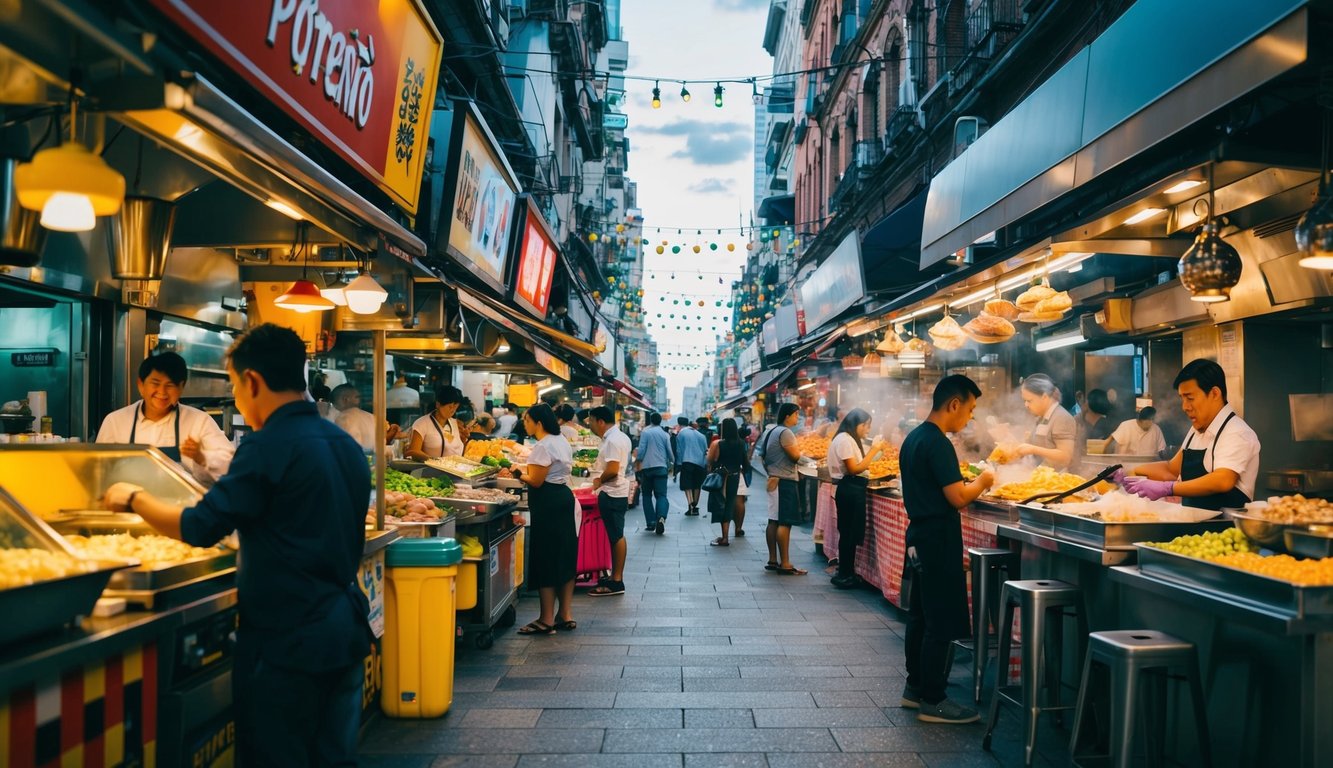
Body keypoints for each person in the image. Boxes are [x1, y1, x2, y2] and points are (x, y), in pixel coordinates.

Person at [101, 324, 371, 765]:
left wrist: (133, 497)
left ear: (252, 381)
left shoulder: (268, 446)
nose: (238, 397)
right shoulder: (343, 444)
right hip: (345, 631)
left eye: (234, 386)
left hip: (287, 643)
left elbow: (201, 527)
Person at [899, 374, 995, 724]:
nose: (969, 417)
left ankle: (915, 688)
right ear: (954, 404)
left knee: (921, 615)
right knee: (941, 619)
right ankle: (934, 700)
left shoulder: (914, 438)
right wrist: (983, 481)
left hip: (918, 537)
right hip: (937, 538)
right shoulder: (938, 443)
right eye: (969, 409)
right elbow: (957, 498)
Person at [1121, 359, 1261, 510]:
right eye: (1182, 399)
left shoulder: (1237, 432)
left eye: (1190, 398)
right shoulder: (1197, 430)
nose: (1185, 407)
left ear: (1214, 393)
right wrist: (1128, 471)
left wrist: (1168, 488)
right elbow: (1171, 470)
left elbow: (1222, 480)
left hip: (1224, 530)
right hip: (1193, 529)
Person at [96, 352, 234, 488]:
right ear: (141, 385)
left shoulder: (199, 421)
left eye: (170, 385)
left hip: (181, 507)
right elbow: (99, 470)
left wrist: (202, 457)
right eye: (155, 383)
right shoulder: (115, 421)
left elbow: (231, 463)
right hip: (128, 506)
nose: (162, 391)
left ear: (181, 387)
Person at [515, 403, 578, 635]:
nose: (524, 424)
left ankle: (546, 619)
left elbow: (536, 480)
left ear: (538, 423)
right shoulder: (561, 441)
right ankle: (565, 614)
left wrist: (517, 472)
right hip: (563, 498)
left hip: (547, 501)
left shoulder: (542, 446)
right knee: (564, 554)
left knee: (546, 556)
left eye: (526, 420)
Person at [827, 409, 890, 589]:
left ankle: (846, 573)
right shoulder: (845, 440)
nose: (868, 430)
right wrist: (875, 450)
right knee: (848, 533)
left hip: (849, 488)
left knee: (848, 533)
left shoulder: (843, 438)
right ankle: (845, 575)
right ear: (858, 424)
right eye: (867, 425)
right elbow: (854, 468)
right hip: (850, 488)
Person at [587, 406, 632, 597]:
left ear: (600, 421)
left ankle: (617, 581)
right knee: (615, 534)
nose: (589, 425)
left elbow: (613, 469)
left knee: (616, 535)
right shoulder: (619, 437)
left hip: (613, 492)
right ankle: (615, 576)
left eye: (591, 421)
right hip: (615, 491)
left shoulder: (613, 440)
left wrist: (598, 481)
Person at [757, 404, 807, 575]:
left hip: (773, 480)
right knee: (784, 522)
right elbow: (794, 456)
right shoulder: (786, 433)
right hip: (785, 481)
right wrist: (808, 459)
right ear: (787, 416)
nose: (797, 418)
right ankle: (785, 563)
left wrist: (771, 472)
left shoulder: (771, 431)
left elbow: (761, 456)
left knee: (773, 520)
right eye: (796, 415)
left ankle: (773, 560)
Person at [1008, 373, 1077, 470]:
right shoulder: (1042, 417)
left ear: (1044, 397)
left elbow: (1065, 456)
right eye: (1025, 401)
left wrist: (1033, 449)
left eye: (1029, 401)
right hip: (1041, 475)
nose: (1026, 405)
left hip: (1057, 480)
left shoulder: (1062, 418)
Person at [705, 417, 747, 546]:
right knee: (730, 504)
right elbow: (745, 463)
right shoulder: (741, 443)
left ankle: (724, 537)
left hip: (722, 477)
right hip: (735, 476)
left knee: (720, 504)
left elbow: (710, 460)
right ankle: (725, 536)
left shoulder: (718, 443)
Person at [330, 384, 401, 453]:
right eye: (357, 397)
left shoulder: (343, 418)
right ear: (345, 399)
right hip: (375, 462)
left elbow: (348, 449)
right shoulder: (372, 417)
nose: (359, 400)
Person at [635, 411, 674, 534]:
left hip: (647, 469)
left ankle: (651, 522)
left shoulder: (646, 432)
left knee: (646, 495)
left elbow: (641, 450)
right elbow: (669, 452)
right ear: (660, 421)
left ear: (651, 420)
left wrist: (638, 460)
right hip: (661, 468)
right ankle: (661, 517)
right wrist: (673, 462)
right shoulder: (665, 434)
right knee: (661, 495)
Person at [405, 385, 465, 460]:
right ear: (438, 404)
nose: (453, 410)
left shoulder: (456, 424)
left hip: (455, 469)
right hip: (430, 469)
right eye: (450, 406)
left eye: (456, 407)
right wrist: (434, 460)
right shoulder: (422, 424)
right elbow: (412, 451)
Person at [676, 417, 709, 515]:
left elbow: (679, 450)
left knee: (687, 484)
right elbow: (705, 451)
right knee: (697, 484)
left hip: (687, 461)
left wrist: (678, 463)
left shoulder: (681, 433)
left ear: (679, 424)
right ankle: (695, 506)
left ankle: (690, 505)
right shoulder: (701, 435)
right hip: (700, 463)